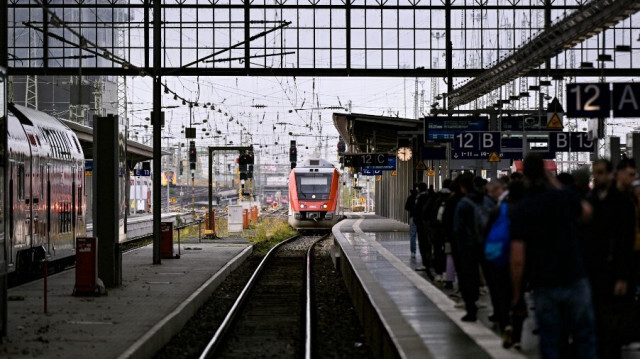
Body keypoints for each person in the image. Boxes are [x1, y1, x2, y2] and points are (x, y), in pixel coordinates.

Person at [510, 153, 597, 359]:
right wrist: (555, 183)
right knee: (584, 338)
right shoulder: (563, 197)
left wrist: (517, 294)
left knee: (550, 341)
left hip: (544, 282)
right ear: (545, 171)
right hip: (574, 276)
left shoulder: (522, 207)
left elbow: (517, 258)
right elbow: (586, 212)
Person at [583, 159, 636, 359]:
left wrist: (623, 276)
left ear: (610, 174)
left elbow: (626, 241)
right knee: (595, 318)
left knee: (613, 321)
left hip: (614, 269)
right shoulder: (589, 200)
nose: (598, 177)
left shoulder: (622, 203)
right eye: (595, 173)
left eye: (602, 172)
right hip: (592, 269)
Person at [453, 172, 495, 322]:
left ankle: (471, 310)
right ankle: (498, 311)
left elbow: (458, 228)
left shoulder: (463, 204)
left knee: (468, 277)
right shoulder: (487, 201)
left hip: (468, 247)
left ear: (463, 188)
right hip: (488, 244)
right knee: (491, 277)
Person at [414, 182, 432, 273]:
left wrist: (416, 221)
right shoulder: (430, 197)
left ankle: (425, 263)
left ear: (419, 189)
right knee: (428, 244)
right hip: (429, 225)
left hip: (421, 225)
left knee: (423, 244)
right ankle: (429, 262)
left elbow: (416, 211)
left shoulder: (419, 198)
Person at [404, 184, 419, 258]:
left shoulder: (411, 197)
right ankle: (425, 251)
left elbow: (406, 207)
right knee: (423, 235)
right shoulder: (424, 197)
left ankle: (413, 251)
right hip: (422, 219)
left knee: (413, 235)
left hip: (413, 217)